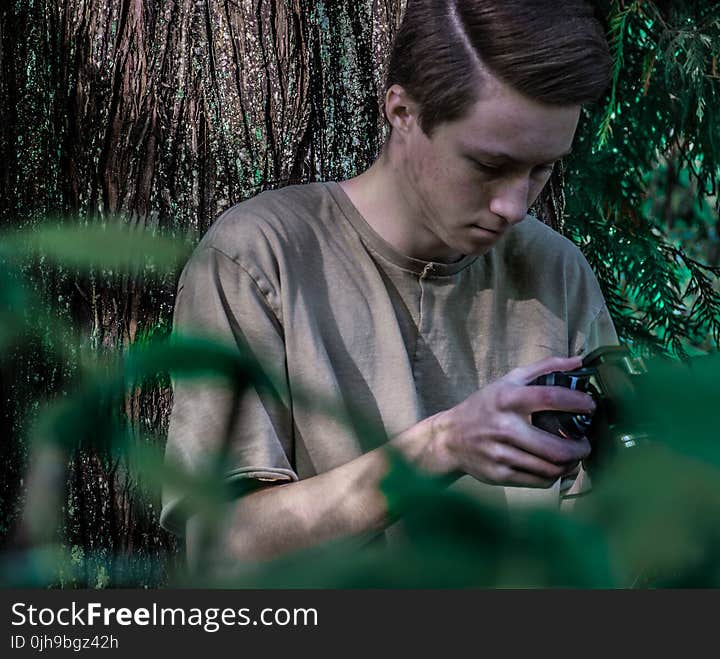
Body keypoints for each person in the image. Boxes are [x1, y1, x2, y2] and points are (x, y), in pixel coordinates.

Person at [161, 0, 617, 568]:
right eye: (488, 165)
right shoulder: (259, 257)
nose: (514, 206)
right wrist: (442, 446)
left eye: (542, 168)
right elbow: (223, 550)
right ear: (402, 111)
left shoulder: (556, 269)